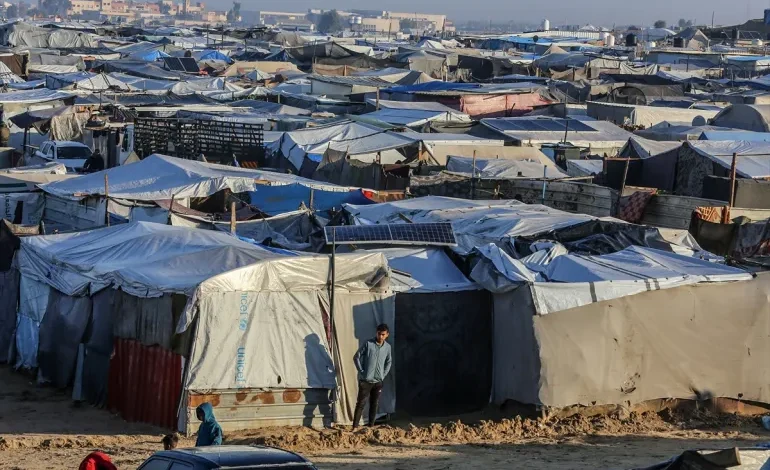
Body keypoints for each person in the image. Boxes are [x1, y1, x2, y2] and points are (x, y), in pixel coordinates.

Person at [352, 323, 392, 429]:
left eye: (383, 334)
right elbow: (356, 357)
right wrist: (361, 371)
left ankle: (370, 426)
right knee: (361, 403)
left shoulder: (387, 347)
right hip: (366, 381)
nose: (380, 336)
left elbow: (389, 362)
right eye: (379, 334)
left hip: (378, 381)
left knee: (374, 404)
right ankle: (354, 427)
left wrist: (383, 375)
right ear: (376, 333)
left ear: (387, 334)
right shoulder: (368, 344)